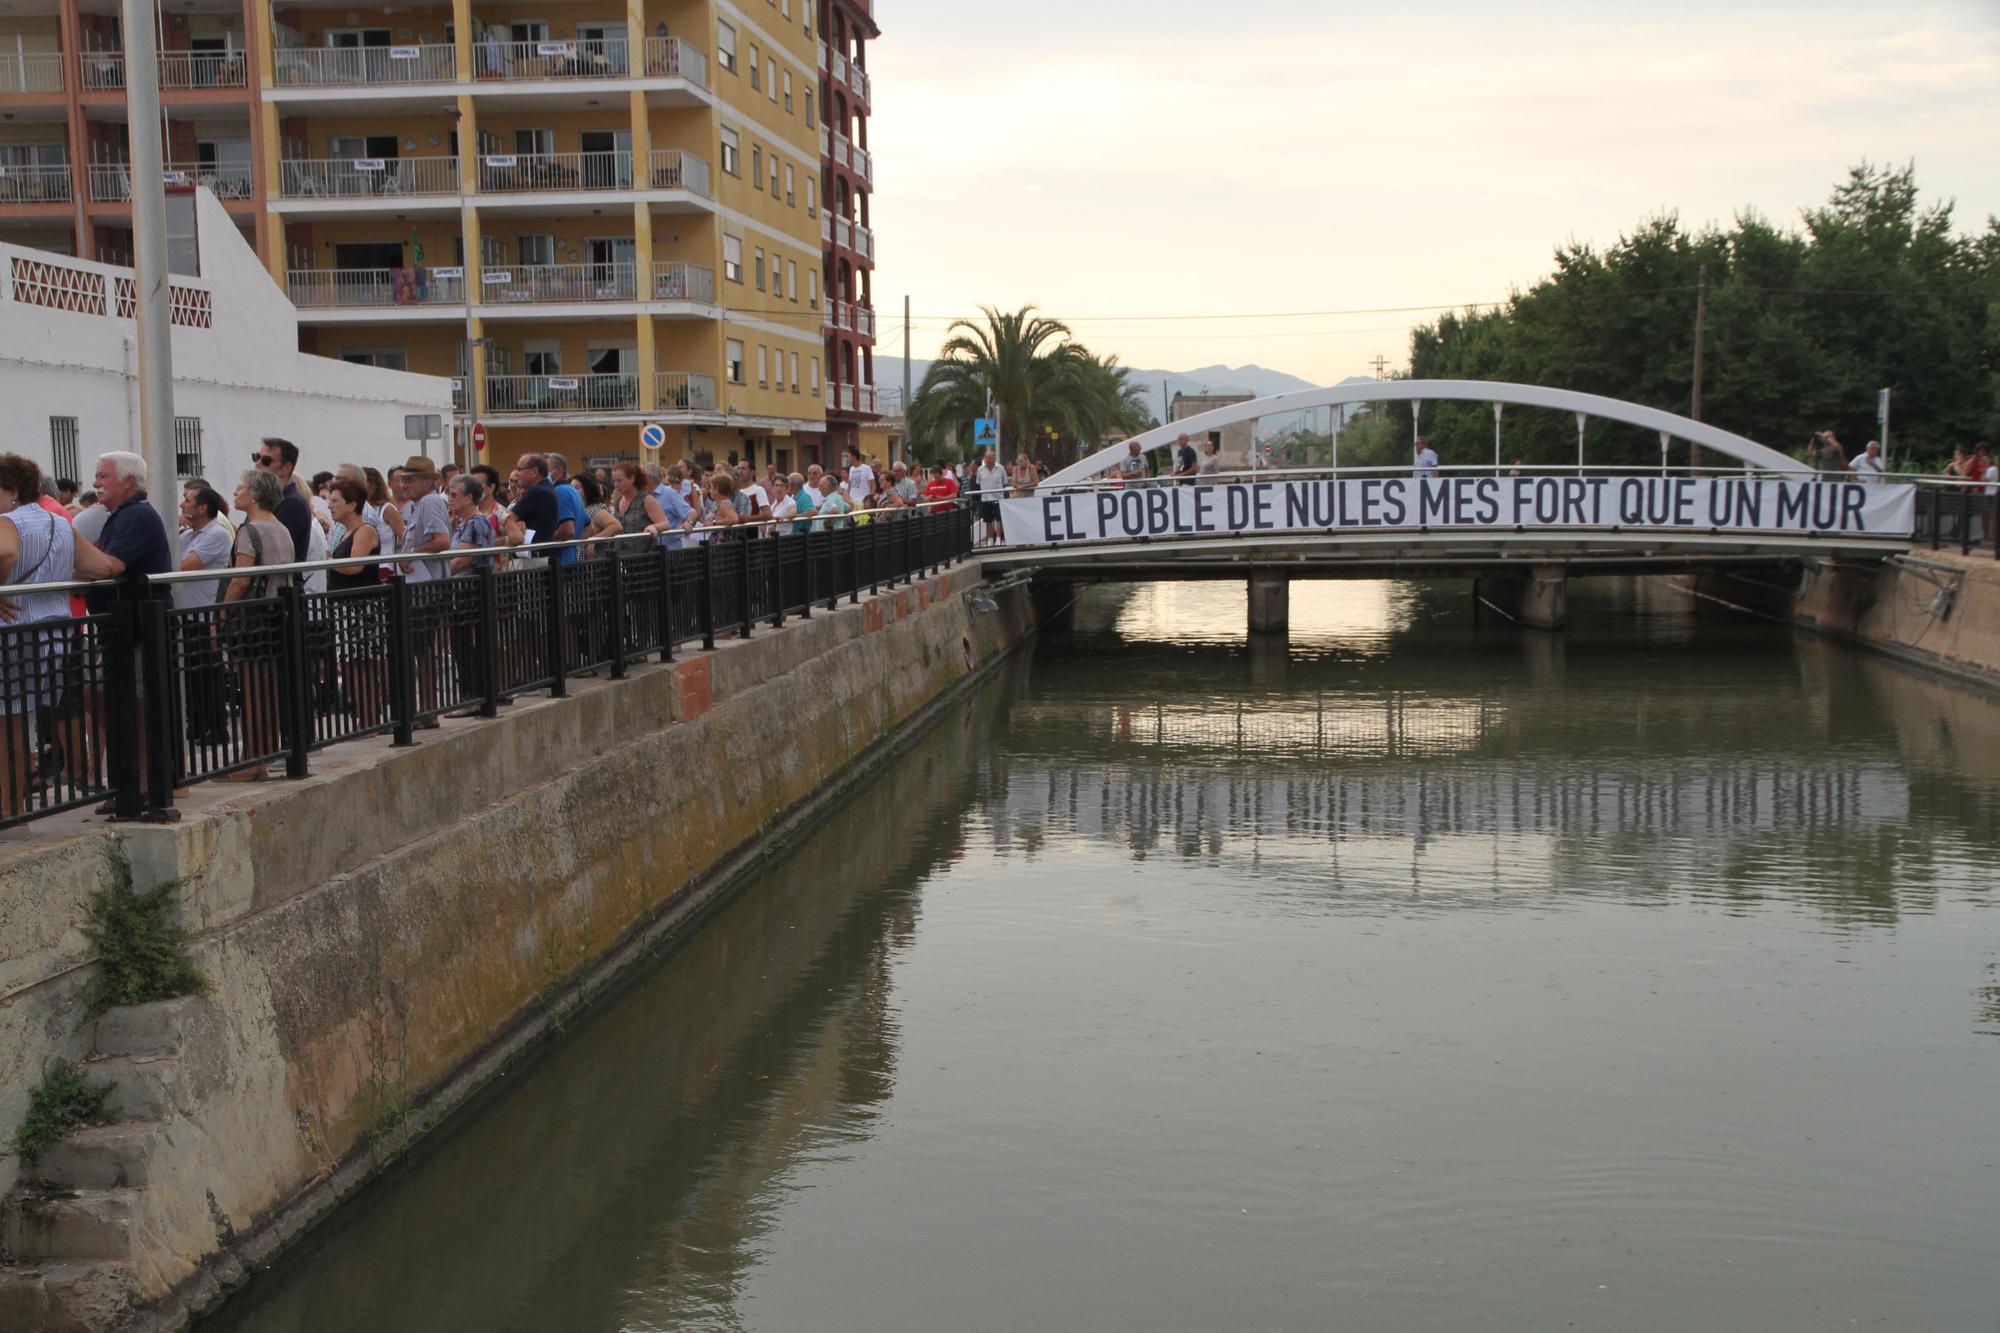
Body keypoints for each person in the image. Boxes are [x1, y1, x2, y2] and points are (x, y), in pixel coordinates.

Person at [0, 454, 75, 817]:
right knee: (23, 721)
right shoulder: (58, 522)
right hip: (52, 632)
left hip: (12, 633)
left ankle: (9, 809)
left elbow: (6, 552)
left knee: (7, 727)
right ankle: (16, 808)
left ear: (11, 490)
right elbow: (105, 565)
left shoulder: (7, 521)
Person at [219, 467, 295, 780]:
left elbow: (241, 579)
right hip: (279, 612)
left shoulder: (249, 531)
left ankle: (251, 759)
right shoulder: (282, 528)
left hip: (253, 616)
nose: (236, 493)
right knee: (268, 689)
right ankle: (264, 753)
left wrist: (221, 615)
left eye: (240, 488)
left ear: (254, 495)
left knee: (251, 689)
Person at [324, 478, 385, 728]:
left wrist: (327, 560)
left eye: (335, 501)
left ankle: (369, 717)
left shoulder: (365, 530)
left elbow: (355, 566)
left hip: (359, 607)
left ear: (352, 504)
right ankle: (367, 715)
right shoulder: (346, 532)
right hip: (345, 606)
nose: (330, 505)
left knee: (358, 663)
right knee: (351, 663)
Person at [257, 437, 314, 559]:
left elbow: (267, 549)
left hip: (281, 577)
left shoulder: (292, 504)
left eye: (266, 460)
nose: (257, 464)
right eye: (256, 457)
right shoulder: (267, 500)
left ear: (286, 468)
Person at [398, 456, 451, 583]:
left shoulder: (429, 501)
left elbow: (443, 541)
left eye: (409, 480)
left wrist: (411, 553)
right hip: (424, 587)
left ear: (426, 483)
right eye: (403, 480)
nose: (404, 485)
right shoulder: (420, 504)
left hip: (430, 589)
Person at [503, 454, 567, 554]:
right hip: (540, 556)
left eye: (520, 469)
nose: (517, 474)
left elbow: (506, 520)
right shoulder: (547, 488)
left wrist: (513, 522)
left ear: (534, 472)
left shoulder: (538, 491)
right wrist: (518, 522)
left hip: (533, 558)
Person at [546, 453, 587, 566]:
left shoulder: (560, 491)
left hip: (560, 558)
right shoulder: (572, 491)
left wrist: (546, 540)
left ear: (559, 471)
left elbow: (567, 530)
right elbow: (589, 527)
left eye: (546, 471)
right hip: (572, 555)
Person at [614, 461, 670, 545]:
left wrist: (653, 527)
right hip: (619, 555)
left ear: (632, 478)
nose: (616, 485)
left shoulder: (646, 499)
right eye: (614, 481)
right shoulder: (618, 499)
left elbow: (665, 524)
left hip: (643, 555)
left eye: (619, 481)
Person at [574, 472, 621, 551]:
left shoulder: (596, 509)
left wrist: (594, 540)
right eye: (571, 487)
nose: (572, 490)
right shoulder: (579, 508)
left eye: (577, 487)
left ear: (587, 490)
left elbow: (616, 526)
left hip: (592, 559)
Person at [973, 449, 1008, 546]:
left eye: (990, 458)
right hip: (985, 499)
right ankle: (990, 540)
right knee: (988, 520)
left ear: (994, 458)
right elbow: (978, 483)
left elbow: (1004, 483)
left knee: (998, 520)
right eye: (986, 457)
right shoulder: (980, 469)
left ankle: (998, 538)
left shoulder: (1001, 468)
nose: (987, 460)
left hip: (998, 498)